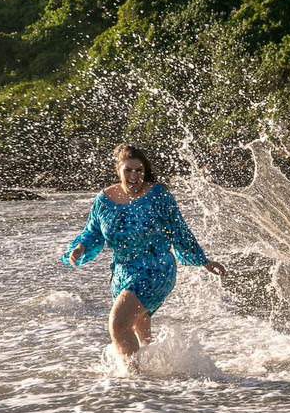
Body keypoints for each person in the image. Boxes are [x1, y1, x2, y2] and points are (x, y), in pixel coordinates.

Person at [63, 144, 225, 368]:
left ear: (145, 171)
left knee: (118, 324)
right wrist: (80, 247)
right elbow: (92, 231)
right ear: (118, 169)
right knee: (140, 334)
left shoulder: (158, 195)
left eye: (139, 170)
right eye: (128, 170)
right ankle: (152, 377)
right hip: (122, 272)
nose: (134, 176)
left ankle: (133, 379)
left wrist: (203, 261)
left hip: (155, 268)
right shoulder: (104, 199)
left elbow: (179, 230)